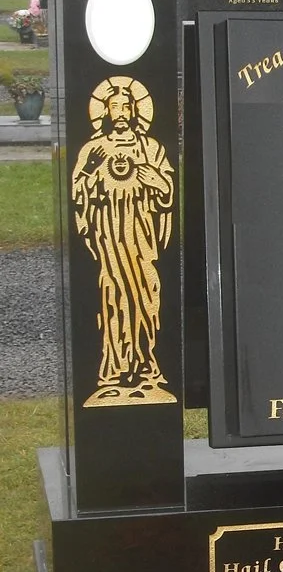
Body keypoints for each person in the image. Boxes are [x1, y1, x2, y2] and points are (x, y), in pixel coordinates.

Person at [71, 76, 176, 405]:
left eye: (125, 106)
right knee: (114, 297)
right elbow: (77, 196)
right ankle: (117, 368)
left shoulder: (151, 147)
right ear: (105, 110)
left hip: (140, 235)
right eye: (114, 106)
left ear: (134, 111)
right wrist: (89, 170)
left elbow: (168, 192)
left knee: (148, 294)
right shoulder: (93, 148)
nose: (120, 112)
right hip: (109, 237)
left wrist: (157, 180)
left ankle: (145, 365)